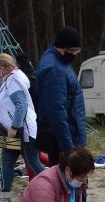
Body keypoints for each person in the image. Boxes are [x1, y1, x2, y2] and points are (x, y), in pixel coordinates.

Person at [0, 53, 45, 202]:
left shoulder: (13, 81)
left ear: (2, 67)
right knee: (6, 162)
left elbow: (20, 105)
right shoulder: (8, 80)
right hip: (8, 131)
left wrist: (14, 127)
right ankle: (4, 195)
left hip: (20, 131)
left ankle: (54, 188)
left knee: (33, 162)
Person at [35, 26, 86, 166]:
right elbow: (56, 111)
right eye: (73, 51)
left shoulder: (61, 62)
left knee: (76, 182)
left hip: (71, 133)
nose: (75, 54)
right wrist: (68, 149)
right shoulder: (54, 69)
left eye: (77, 51)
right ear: (62, 48)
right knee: (67, 183)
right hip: (65, 140)